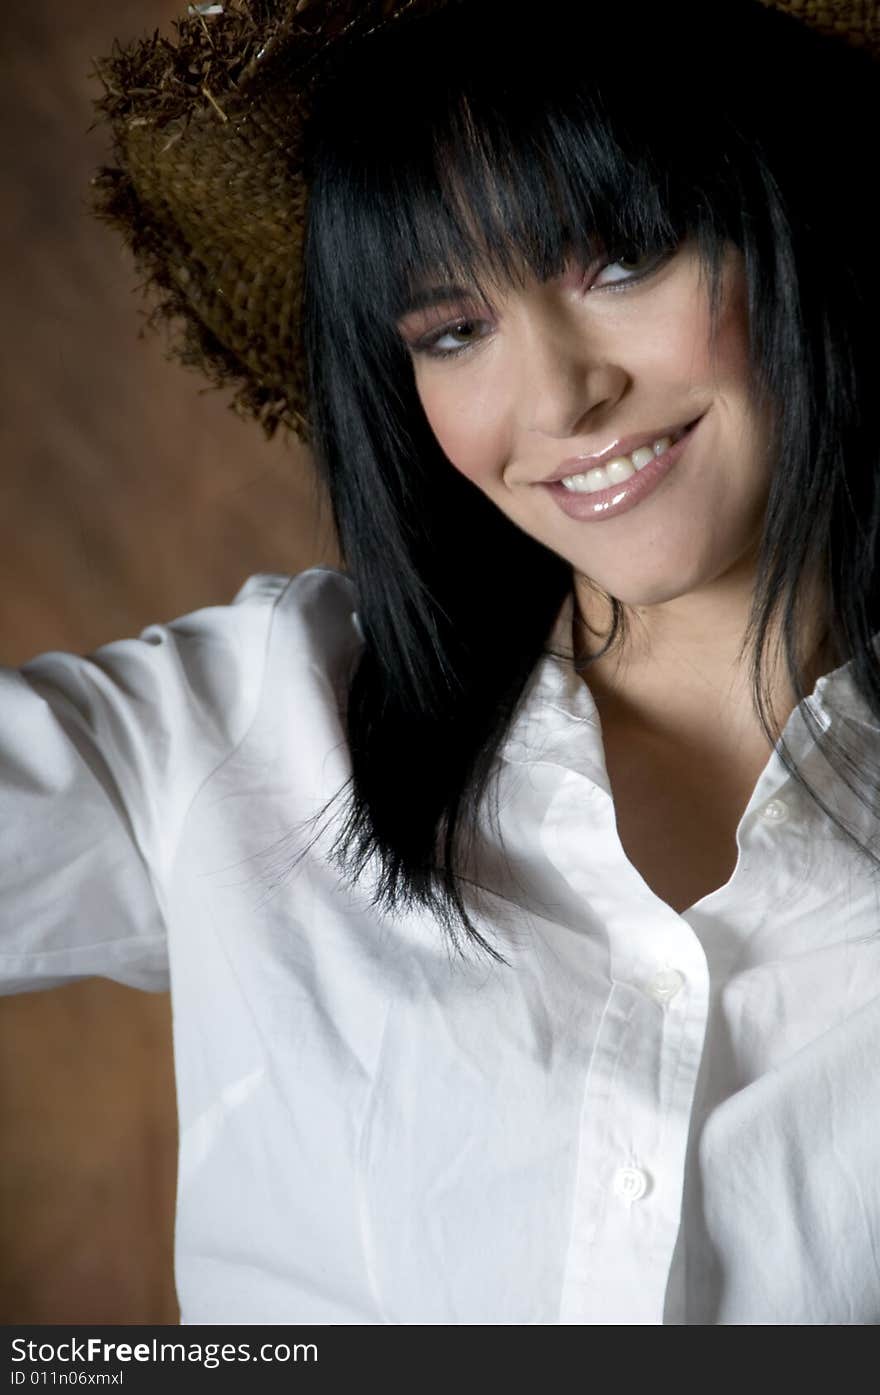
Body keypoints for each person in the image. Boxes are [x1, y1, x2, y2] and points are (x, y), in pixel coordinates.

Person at [3, 0, 879, 1324]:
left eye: (625, 258)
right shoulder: (252, 724)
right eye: (451, 330)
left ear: (804, 217)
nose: (555, 400)